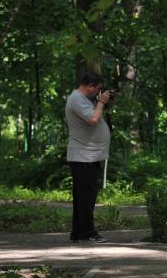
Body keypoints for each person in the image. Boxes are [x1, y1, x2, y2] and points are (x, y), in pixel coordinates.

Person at [65, 72, 113, 243]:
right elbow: (93, 119)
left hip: (88, 156)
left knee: (84, 196)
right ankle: (86, 232)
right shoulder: (77, 99)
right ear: (91, 85)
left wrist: (103, 103)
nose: (98, 92)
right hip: (83, 156)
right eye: (98, 88)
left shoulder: (85, 100)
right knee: (85, 196)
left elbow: (96, 114)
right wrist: (100, 102)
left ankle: (78, 231)